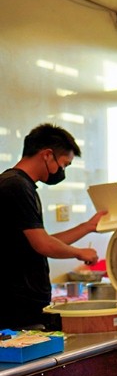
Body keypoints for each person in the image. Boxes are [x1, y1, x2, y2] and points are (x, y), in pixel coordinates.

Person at [0, 124, 102, 329]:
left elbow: (42, 239)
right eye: (64, 164)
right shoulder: (15, 186)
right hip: (15, 308)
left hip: (24, 305)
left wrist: (88, 226)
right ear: (47, 155)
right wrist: (79, 253)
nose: (62, 172)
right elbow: (43, 245)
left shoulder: (22, 185)